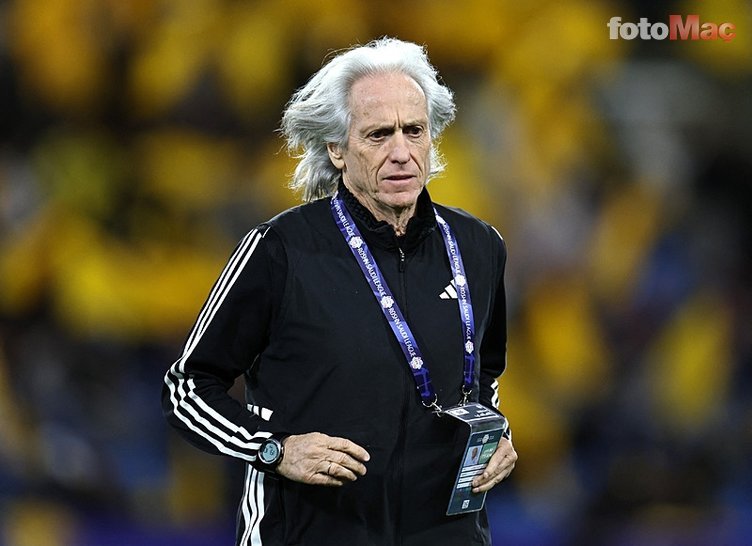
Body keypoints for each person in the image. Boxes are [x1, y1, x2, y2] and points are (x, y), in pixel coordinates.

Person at [162, 37, 517, 546]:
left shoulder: (479, 246)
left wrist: (497, 431)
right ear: (336, 149)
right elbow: (187, 388)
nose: (401, 153)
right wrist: (275, 450)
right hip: (309, 531)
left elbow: (483, 373)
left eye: (414, 131)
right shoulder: (279, 250)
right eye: (378, 134)